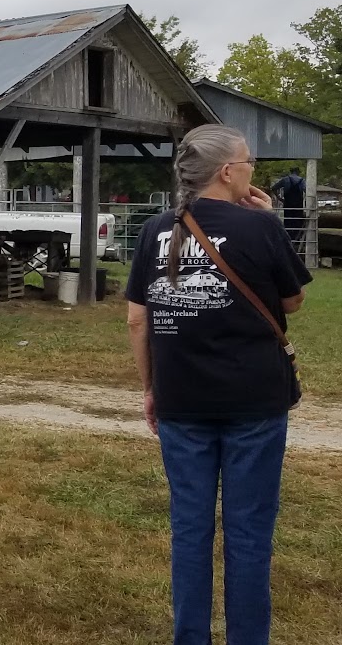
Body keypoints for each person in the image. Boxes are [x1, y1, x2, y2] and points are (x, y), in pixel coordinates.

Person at [125, 124, 309, 645]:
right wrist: (269, 220)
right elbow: (293, 300)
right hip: (255, 400)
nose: (252, 172)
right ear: (229, 172)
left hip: (182, 399)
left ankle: (191, 637)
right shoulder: (261, 226)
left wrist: (150, 387)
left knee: (190, 529)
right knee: (249, 532)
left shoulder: (154, 229)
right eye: (249, 162)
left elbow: (137, 319)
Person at [270, 167, 306, 247]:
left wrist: (279, 198)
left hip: (288, 204)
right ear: (298, 172)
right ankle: (297, 241)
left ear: (291, 171)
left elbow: (273, 188)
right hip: (298, 205)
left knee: (288, 222)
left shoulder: (285, 179)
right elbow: (306, 190)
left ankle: (288, 240)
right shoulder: (302, 180)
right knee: (298, 222)